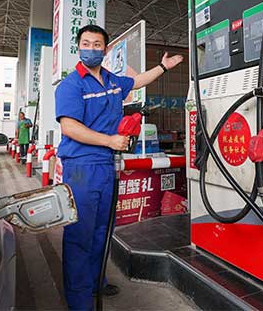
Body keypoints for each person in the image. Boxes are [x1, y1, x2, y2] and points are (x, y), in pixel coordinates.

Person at [55, 24, 183, 310]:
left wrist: (163, 67)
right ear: (78, 47)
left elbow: (136, 82)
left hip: (106, 164)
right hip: (82, 166)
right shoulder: (71, 85)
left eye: (97, 44)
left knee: (102, 229)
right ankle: (79, 300)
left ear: (105, 49)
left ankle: (96, 281)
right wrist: (110, 141)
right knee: (80, 233)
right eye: (86, 43)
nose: (91, 49)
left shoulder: (112, 81)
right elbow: (69, 127)